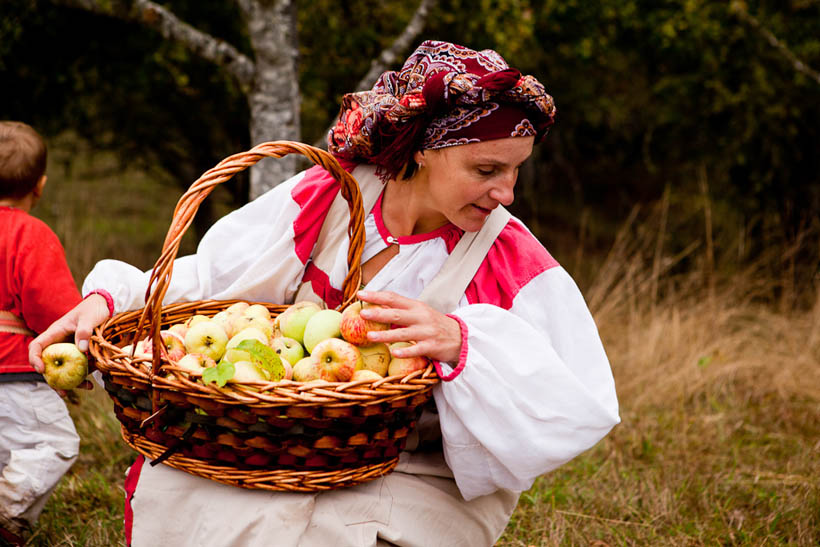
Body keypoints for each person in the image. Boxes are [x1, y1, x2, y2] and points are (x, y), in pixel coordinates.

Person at [30, 41, 620, 546]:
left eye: (516, 171)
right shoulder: (328, 195)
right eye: (487, 169)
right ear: (422, 148)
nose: (507, 193)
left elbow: (575, 400)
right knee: (188, 495)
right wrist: (111, 302)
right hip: (273, 441)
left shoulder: (510, 259)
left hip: (407, 468)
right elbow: (207, 283)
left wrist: (462, 342)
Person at [0, 121, 83, 546]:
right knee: (54, 443)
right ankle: (6, 515)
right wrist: (73, 353)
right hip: (14, 371)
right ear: (40, 185)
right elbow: (57, 310)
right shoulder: (31, 236)